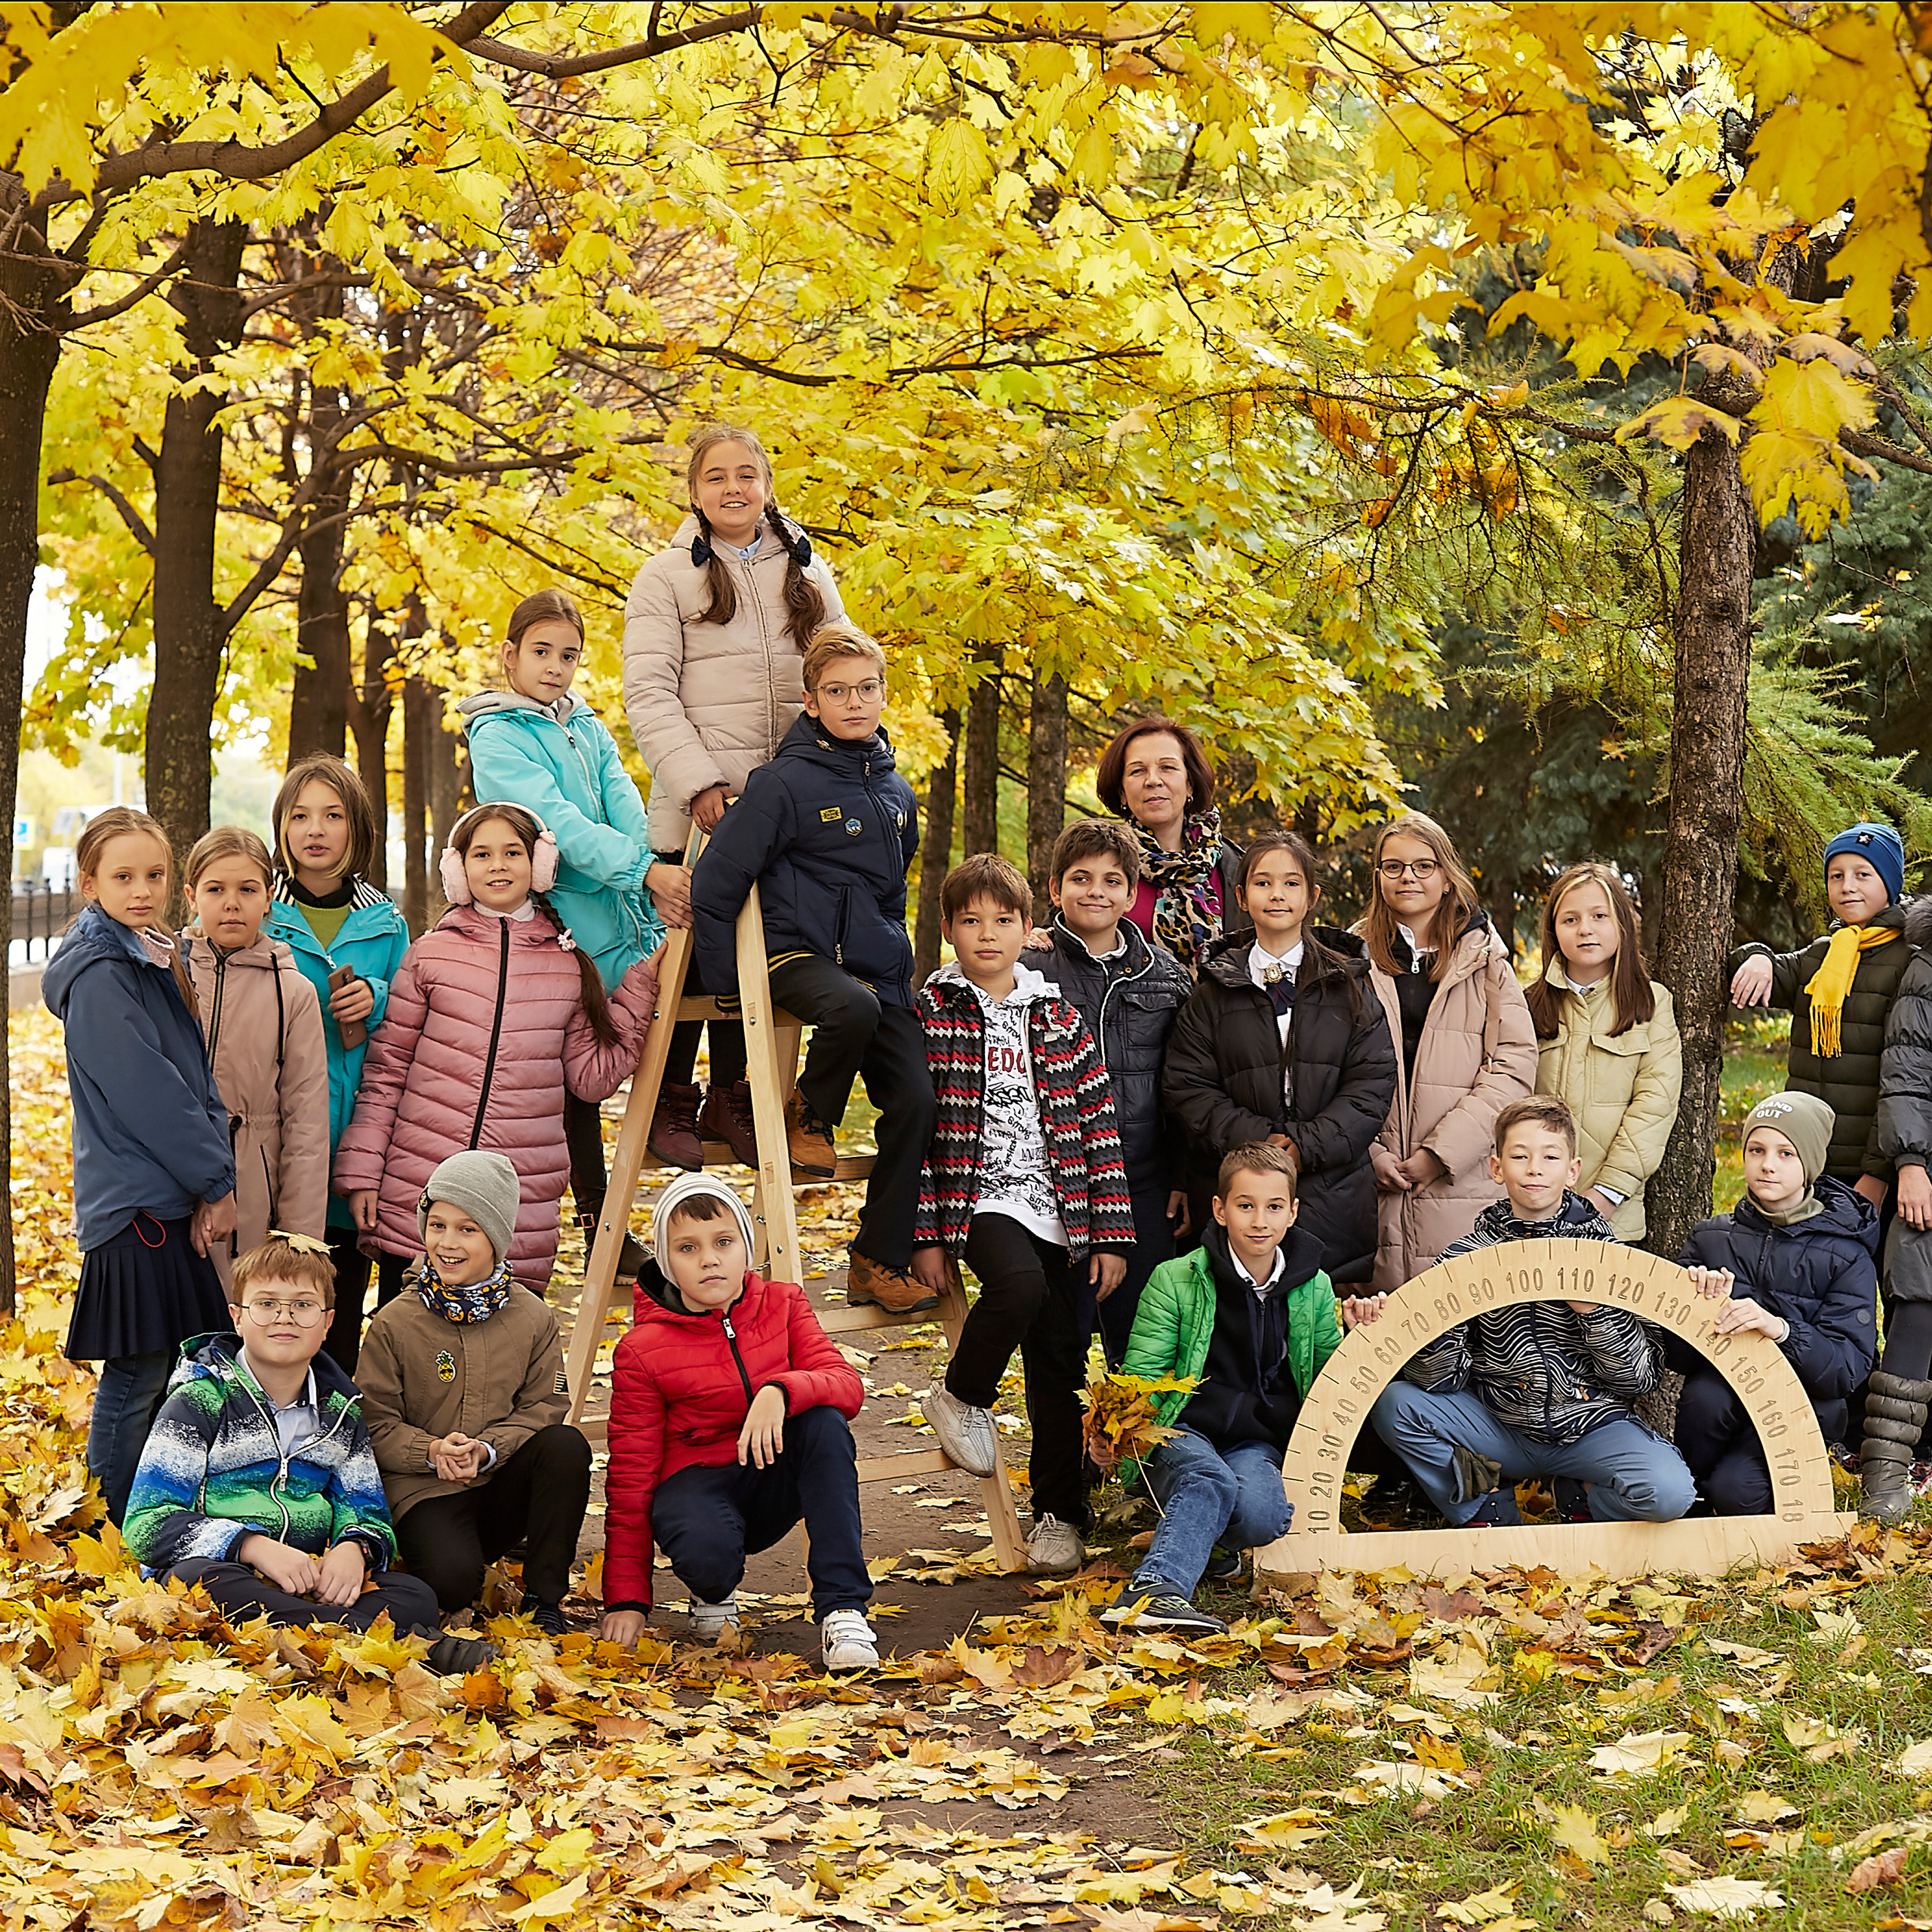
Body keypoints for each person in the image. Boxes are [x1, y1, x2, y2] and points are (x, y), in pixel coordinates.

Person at [690, 623, 935, 1313]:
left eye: (866, 688)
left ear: (884, 693)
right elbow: (715, 887)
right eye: (837, 691)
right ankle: (810, 1113)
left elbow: (891, 894)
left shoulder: (896, 792)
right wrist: (725, 990)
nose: (854, 701)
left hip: (875, 971)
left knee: (920, 1097)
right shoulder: (781, 785)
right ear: (810, 700)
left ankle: (875, 1259)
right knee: (849, 1007)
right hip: (793, 956)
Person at [622, 422, 848, 1171]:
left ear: (767, 485)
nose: (732, 489)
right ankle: (670, 1099)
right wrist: (700, 782)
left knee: (767, 956)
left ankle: (735, 1092)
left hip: (788, 812)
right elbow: (648, 693)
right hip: (703, 810)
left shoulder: (810, 572)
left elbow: (843, 671)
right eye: (716, 477)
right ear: (694, 491)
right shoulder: (664, 576)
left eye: (746, 474)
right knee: (692, 957)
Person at [121, 1233, 494, 1676]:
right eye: (266, 1304)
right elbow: (147, 1523)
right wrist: (250, 1546)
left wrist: (354, 1548)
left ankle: (329, 1633)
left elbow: (368, 1509)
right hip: (224, 1571)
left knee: (417, 1595)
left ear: (327, 1322)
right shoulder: (199, 1402)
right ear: (237, 1318)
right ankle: (405, 1646)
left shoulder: (341, 1413)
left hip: (311, 1581)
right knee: (208, 1584)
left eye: (302, 1306)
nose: (285, 1318)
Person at [909, 854, 1136, 1577]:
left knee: (1060, 1361)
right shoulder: (931, 1012)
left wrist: (1110, 1234)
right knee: (1018, 1287)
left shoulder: (1059, 1017)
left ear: (1027, 929)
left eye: (1002, 921)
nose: (986, 935)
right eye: (970, 921)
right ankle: (961, 1394)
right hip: (979, 1195)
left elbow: (1099, 1127)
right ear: (947, 929)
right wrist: (925, 1232)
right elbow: (913, 1131)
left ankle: (1059, 1517)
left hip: (1063, 1206)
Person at [333, 802, 658, 1301]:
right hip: (420, 1202)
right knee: (408, 1360)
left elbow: (591, 1079)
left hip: (513, 1217)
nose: (498, 865)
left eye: (512, 853)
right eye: (482, 854)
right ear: (459, 870)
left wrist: (643, 984)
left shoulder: (567, 965)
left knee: (495, 1369)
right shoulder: (430, 954)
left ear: (541, 865)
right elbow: (387, 1071)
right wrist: (362, 1175)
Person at [1370, 1096, 1697, 1527]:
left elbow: (1637, 1379)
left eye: (1550, 1157)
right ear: (1496, 1167)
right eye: (1519, 1156)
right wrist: (1439, 1327)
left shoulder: (1611, 1258)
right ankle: (1485, 1509)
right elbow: (1437, 1380)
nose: (1535, 1168)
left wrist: (1593, 1312)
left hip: (1591, 1426)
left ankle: (1581, 1500)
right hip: (1497, 1423)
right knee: (1396, 1403)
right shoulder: (1467, 1258)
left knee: (1669, 1493)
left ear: (1573, 1169)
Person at [461, 587, 664, 1278]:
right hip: (553, 924)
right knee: (560, 1082)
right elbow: (554, 823)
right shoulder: (498, 736)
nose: (555, 666)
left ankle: (673, 1120)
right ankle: (585, 1222)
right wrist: (636, 867)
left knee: (627, 1049)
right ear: (509, 655)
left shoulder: (589, 726)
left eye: (569, 655)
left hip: (619, 912)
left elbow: (624, 800)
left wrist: (645, 868)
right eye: (541, 652)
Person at [44, 808, 238, 1526]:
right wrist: (218, 1180)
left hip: (162, 1192)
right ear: (89, 882)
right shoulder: (101, 973)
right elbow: (150, 1094)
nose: (142, 889)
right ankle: (107, 1521)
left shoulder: (147, 954)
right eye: (123, 876)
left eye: (155, 874)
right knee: (136, 1374)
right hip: (136, 1201)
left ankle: (142, 1513)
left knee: (163, 1369)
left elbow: (191, 1075)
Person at [600, 1174, 878, 1671]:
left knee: (825, 1425)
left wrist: (780, 1390)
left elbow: (846, 1384)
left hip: (772, 1476)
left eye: (723, 1242)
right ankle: (713, 1592)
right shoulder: (642, 1350)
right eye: (688, 1248)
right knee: (707, 1554)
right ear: (667, 1263)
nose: (709, 1258)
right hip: (700, 1487)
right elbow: (630, 1477)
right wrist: (627, 1598)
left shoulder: (783, 1304)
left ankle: (843, 1610)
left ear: (745, 1251)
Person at [1105, 1145, 1386, 1632]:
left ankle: (1204, 1541)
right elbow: (1142, 1376)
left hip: (1255, 1439)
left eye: (1275, 1207)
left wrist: (1357, 1340)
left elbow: (1324, 1380)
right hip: (1180, 1427)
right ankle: (1155, 1590)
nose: (1260, 1220)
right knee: (1206, 1479)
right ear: (1219, 1209)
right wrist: (1118, 1436)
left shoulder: (1314, 1285)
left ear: (1293, 1212)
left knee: (1262, 1518)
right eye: (1245, 1205)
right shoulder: (1175, 1279)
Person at [356, 1151, 593, 1635]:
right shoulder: (395, 1322)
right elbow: (373, 1422)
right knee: (452, 1583)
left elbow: (546, 1406)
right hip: (425, 1491)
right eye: (437, 1224)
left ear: (498, 1237)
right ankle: (448, 1563)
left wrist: (489, 1450)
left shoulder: (533, 1318)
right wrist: (432, 1450)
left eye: (468, 1229)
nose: (447, 1242)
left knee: (566, 1447)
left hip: (499, 1480)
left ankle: (544, 1598)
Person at [1163, 830, 1396, 1294]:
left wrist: (1305, 1145)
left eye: (1291, 884)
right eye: (1262, 883)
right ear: (1241, 896)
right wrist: (1259, 1143)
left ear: (1312, 897)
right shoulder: (1212, 992)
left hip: (1332, 1193)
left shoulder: (1348, 986)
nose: (1276, 895)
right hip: (1238, 1191)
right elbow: (1188, 1086)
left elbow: (1371, 1083)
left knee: (1325, 1336)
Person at [1020, 820, 1191, 1364]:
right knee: (1056, 1347)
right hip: (1051, 1186)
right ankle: (1062, 1451)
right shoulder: (1025, 968)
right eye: (1081, 878)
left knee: (1140, 1342)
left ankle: (1132, 1451)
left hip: (1143, 1180)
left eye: (1112, 880)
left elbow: (1184, 1085)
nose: (1096, 891)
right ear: (1054, 889)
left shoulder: (1164, 977)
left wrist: (1184, 1174)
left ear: (1132, 892)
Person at [262, 754, 410, 1374]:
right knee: (278, 1313)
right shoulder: (257, 912)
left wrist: (376, 1001)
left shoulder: (386, 924)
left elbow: (412, 1024)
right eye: (300, 816)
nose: (315, 829)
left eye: (332, 815)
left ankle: (347, 1444)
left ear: (357, 830)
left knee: (342, 1315)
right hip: (279, 1151)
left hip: (360, 1151)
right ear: (282, 828)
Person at [1355, 811, 1537, 1297]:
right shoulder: (1351, 960)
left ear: (1446, 875)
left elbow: (1514, 1063)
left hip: (1463, 1177)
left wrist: (1441, 1152)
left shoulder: (1485, 959)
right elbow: (1328, 1068)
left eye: (1423, 865)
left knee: (1465, 1321)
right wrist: (1369, 1152)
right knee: (1379, 1335)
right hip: (1372, 1175)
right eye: (1393, 867)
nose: (1408, 877)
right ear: (1377, 877)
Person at [1673, 1094, 1878, 1516]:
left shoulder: (1848, 1254)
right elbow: (1673, 1354)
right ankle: (1687, 1493)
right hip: (1721, 1401)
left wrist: (1782, 1330)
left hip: (1803, 1405)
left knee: (1736, 1497)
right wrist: (1694, 1306)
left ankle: (1729, 1491)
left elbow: (1846, 1371)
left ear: (1810, 1166)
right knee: (1705, 1398)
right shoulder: (1711, 1239)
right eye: (1757, 1150)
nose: (1768, 1164)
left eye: (1786, 1154)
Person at [1729, 821, 1914, 1200]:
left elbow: (1902, 1073)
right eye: (1836, 875)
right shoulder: (1821, 954)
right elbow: (1767, 975)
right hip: (1806, 1154)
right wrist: (1758, 957)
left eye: (1863, 874)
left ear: (1890, 884)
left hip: (1868, 1163)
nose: (1847, 886)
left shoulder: (1910, 964)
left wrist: (1876, 1172)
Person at [180, 827, 331, 1290]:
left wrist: (298, 1239)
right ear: (191, 896)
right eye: (215, 889)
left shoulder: (293, 992)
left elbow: (306, 1121)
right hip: (171, 1184)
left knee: (239, 1331)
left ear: (268, 898)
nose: (231, 903)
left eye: (247, 890)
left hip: (254, 1196)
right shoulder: (165, 974)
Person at [1525, 863, 1682, 1243]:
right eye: (1570, 919)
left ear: (1623, 926)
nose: (1585, 929)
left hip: (1614, 1217)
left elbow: (1654, 1106)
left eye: (1600, 916)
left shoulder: (1651, 1003)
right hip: (1528, 1210)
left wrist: (1605, 1196)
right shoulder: (1527, 1005)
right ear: (1553, 931)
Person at [1861, 915, 1932, 1521]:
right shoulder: (1925, 972)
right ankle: (1886, 1472)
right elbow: (1905, 1077)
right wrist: (1910, 1162)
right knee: (1917, 1303)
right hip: (1929, 1171)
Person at [1094, 714, 1249, 977]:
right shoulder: (1098, 861)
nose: (1153, 780)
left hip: (1221, 1015)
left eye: (1167, 768)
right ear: (1121, 791)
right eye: (1137, 771)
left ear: (1189, 783)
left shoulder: (1236, 865)